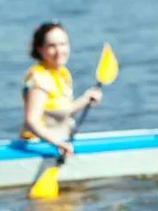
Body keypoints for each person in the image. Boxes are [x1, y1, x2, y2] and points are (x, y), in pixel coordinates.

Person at [21, 22, 104, 159]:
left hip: (61, 143)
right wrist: (57, 144)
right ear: (40, 49)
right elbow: (31, 121)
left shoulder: (62, 74)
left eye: (63, 44)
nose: (59, 51)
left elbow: (61, 110)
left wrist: (86, 99)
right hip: (40, 148)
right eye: (52, 46)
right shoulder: (39, 79)